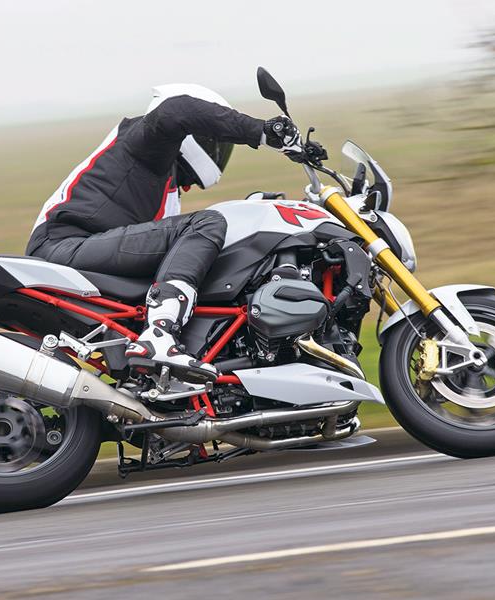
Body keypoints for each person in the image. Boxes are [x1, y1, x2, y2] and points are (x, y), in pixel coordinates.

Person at [27, 84, 302, 382]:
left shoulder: (164, 179)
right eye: (213, 135)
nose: (219, 148)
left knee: (203, 247)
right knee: (207, 223)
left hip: (83, 248)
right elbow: (177, 110)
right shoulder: (144, 143)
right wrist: (261, 131)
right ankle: (158, 337)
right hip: (64, 245)